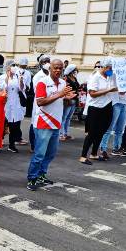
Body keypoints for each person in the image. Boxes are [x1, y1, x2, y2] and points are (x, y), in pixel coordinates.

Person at [27, 59, 75, 190]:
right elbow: (40, 102)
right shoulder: (43, 82)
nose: (58, 70)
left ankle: (41, 175)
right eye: (55, 68)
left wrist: (67, 98)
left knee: (51, 153)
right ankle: (32, 178)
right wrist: (60, 94)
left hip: (56, 122)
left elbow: (61, 101)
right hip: (43, 123)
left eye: (60, 68)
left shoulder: (63, 83)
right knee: (39, 154)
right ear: (50, 69)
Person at [79, 58, 117, 165]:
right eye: (109, 68)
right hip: (96, 108)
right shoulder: (95, 77)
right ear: (104, 67)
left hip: (107, 106)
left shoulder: (110, 76)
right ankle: (83, 156)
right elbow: (92, 93)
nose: (111, 70)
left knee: (101, 131)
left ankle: (94, 153)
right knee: (92, 133)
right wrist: (108, 90)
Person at [0, 59, 25, 153]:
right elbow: (1, 88)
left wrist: (21, 80)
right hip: (5, 104)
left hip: (15, 104)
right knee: (2, 125)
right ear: (7, 67)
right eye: (12, 65)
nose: (14, 67)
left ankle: (11, 145)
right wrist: (7, 77)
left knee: (14, 125)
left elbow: (22, 89)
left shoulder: (17, 77)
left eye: (14, 65)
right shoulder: (2, 77)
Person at [99, 72, 126, 157]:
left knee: (120, 129)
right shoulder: (113, 76)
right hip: (115, 103)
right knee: (109, 128)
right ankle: (103, 148)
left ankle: (117, 148)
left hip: (124, 104)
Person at [60, 64, 79, 141]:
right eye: (75, 70)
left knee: (69, 117)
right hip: (68, 100)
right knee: (64, 117)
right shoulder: (66, 79)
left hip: (74, 100)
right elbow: (64, 89)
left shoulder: (74, 78)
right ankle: (61, 134)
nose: (76, 71)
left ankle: (66, 133)